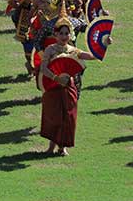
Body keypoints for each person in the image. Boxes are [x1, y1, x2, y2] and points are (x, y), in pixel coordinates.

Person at [38, 13, 99, 156]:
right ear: (56, 34)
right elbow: (43, 68)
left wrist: (103, 44)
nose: (64, 36)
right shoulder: (50, 50)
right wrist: (55, 78)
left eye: (67, 33)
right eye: (61, 33)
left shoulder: (73, 50)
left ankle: (62, 147)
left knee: (68, 117)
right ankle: (50, 147)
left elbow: (92, 56)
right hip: (53, 88)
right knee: (53, 117)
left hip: (69, 87)